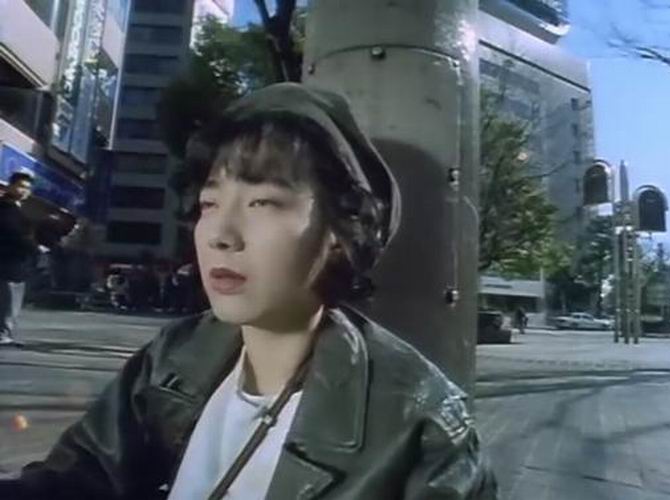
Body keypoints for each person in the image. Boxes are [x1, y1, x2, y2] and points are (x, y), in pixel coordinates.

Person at [0, 83, 497, 499]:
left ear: (338, 232)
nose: (221, 234)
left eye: (263, 203)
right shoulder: (177, 354)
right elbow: (80, 477)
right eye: (210, 204)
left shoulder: (421, 427)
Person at [0, 171, 38, 347]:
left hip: (15, 262)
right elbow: (14, 233)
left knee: (11, 301)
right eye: (21, 186)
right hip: (8, 262)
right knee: (8, 301)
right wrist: (34, 247)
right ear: (10, 186)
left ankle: (6, 332)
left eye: (27, 188)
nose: (24, 191)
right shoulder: (6, 208)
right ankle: (3, 333)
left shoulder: (16, 208)